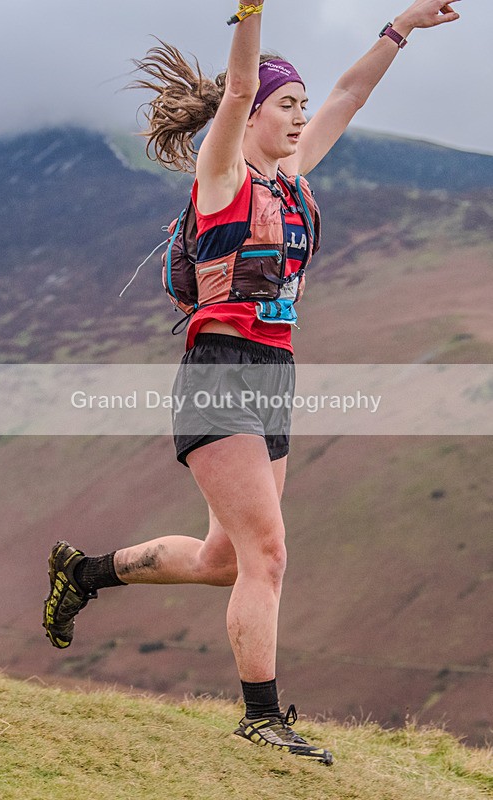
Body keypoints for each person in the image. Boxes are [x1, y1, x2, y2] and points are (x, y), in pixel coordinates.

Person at [43, 0, 461, 762]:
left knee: (225, 559)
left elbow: (351, 96)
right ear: (256, 113)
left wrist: (401, 27)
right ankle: (261, 718)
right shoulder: (222, 175)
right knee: (269, 554)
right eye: (287, 105)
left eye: (303, 104)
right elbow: (235, 91)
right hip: (219, 374)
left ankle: (85, 572)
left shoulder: (294, 180)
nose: (301, 117)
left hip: (274, 377)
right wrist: (251, 12)